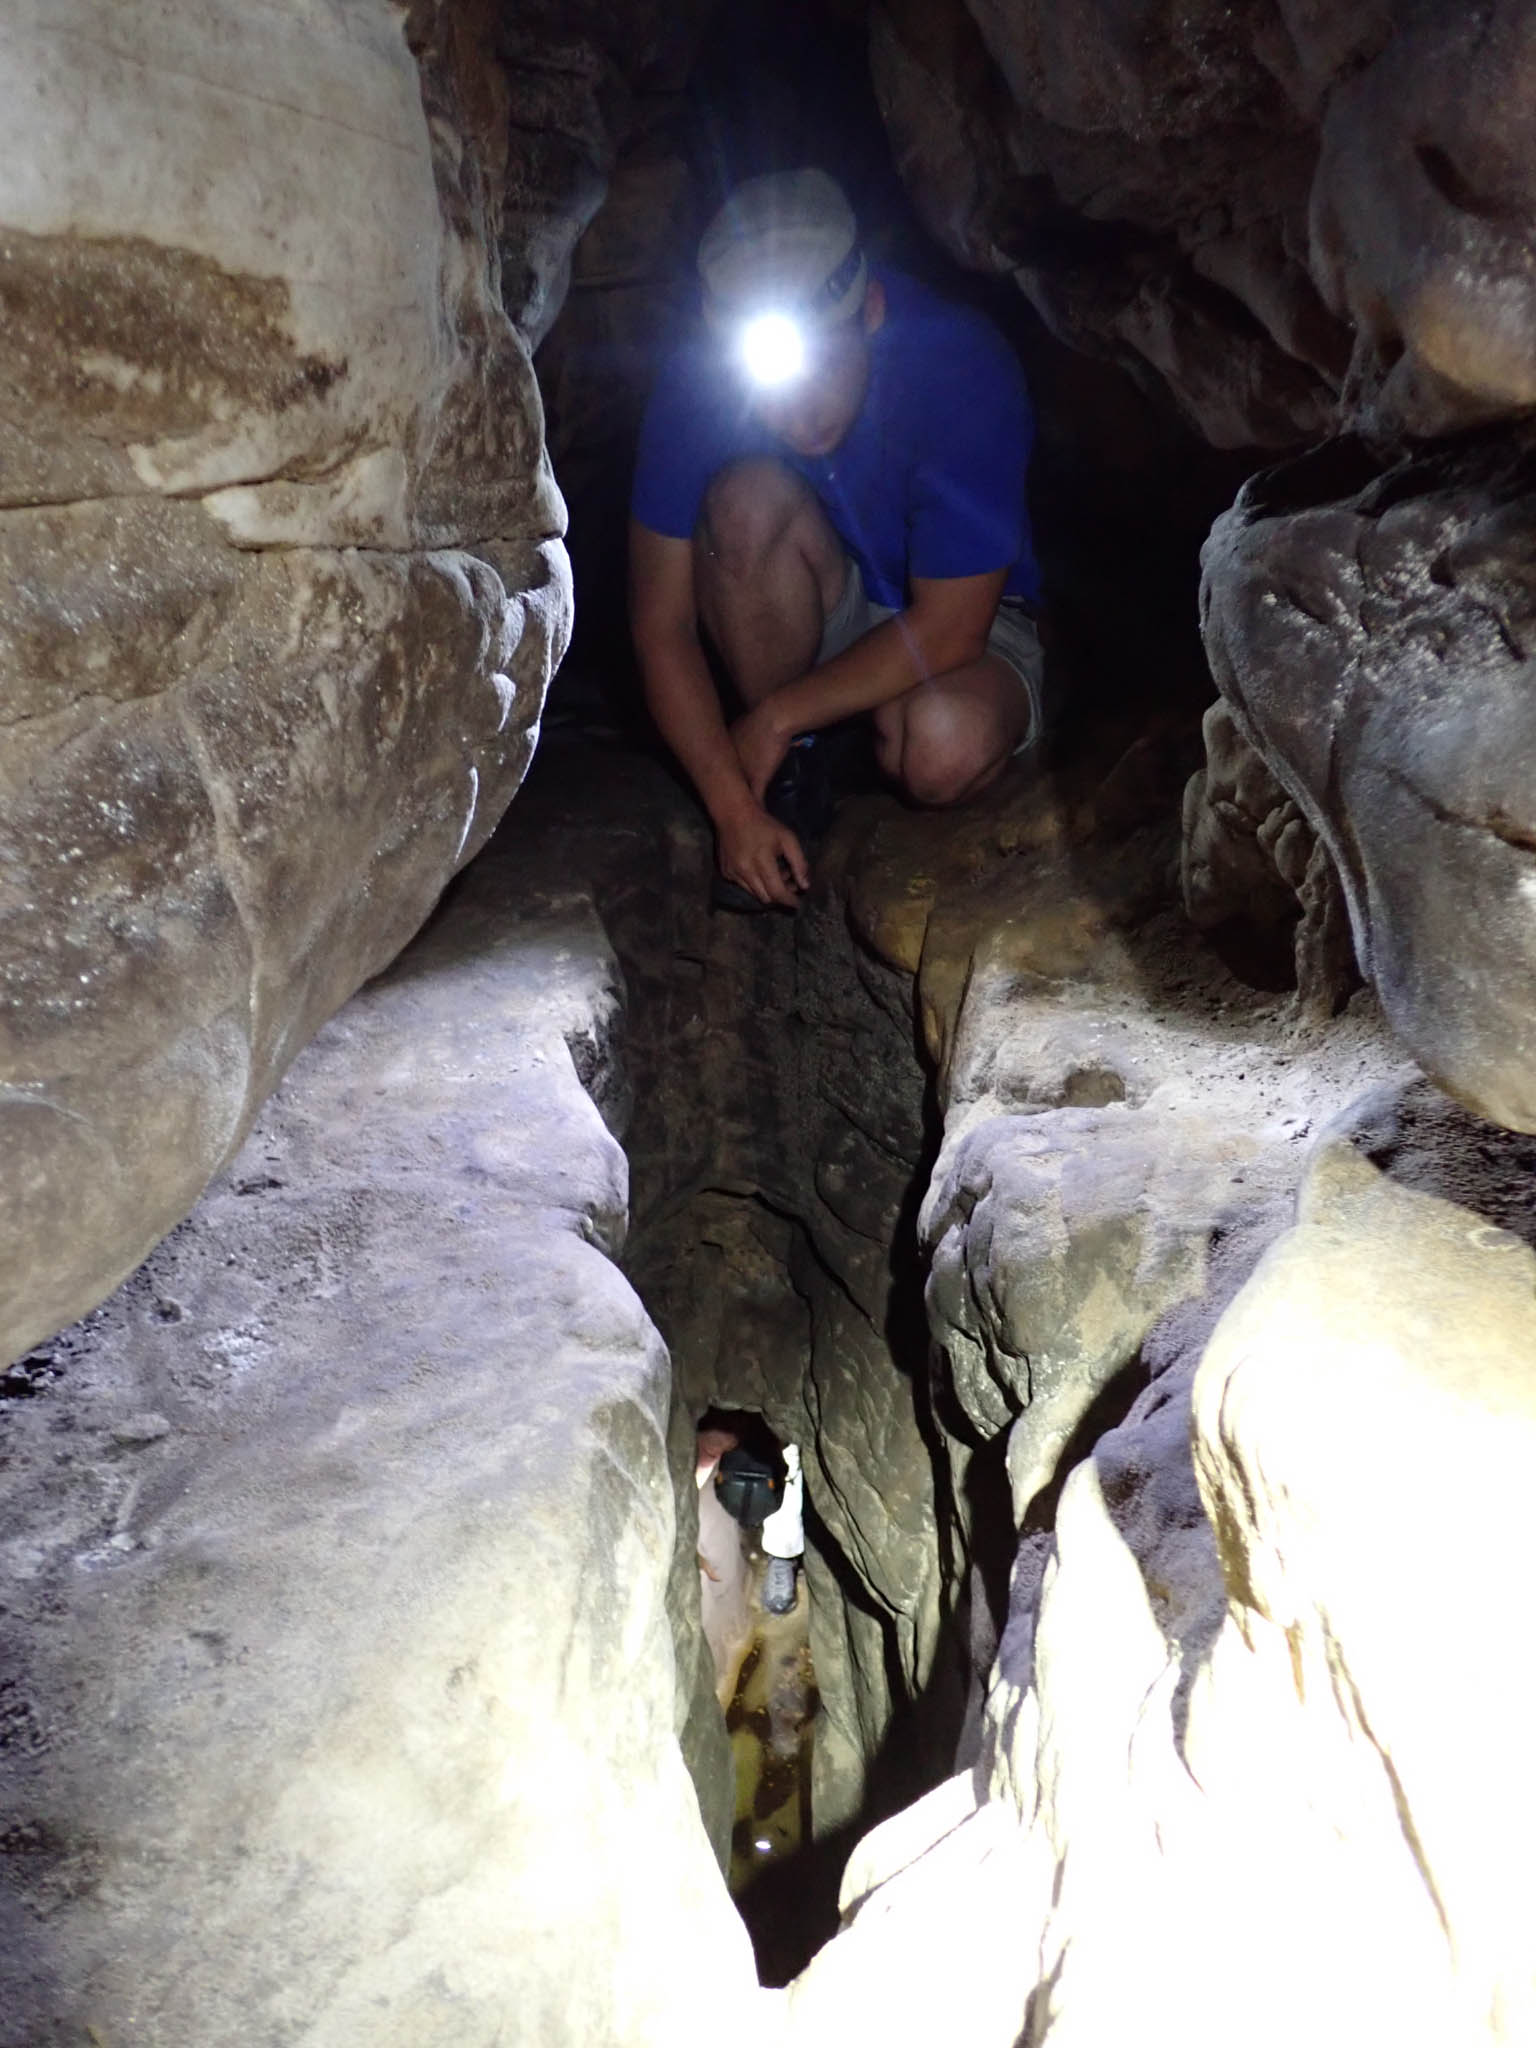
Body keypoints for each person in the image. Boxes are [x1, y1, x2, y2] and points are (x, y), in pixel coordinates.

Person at [629, 167, 1045, 911]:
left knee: (941, 744)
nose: (803, 409)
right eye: (777, 381)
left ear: (872, 311)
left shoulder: (959, 365)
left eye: (828, 362)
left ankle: (837, 736)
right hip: (832, 595)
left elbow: (951, 628)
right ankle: (799, 777)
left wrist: (773, 717)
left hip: (969, 620)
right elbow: (661, 625)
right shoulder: (694, 386)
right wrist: (733, 810)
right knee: (745, 504)